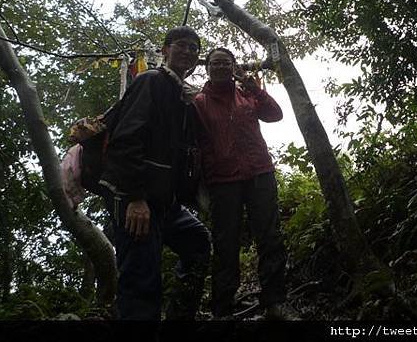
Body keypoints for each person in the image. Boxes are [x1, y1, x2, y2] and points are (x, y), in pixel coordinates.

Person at [99, 26, 211, 320]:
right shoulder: (151, 81)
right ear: (165, 50)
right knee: (141, 282)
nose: (188, 51)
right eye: (181, 45)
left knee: (198, 243)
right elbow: (126, 140)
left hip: (164, 202)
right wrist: (135, 198)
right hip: (135, 199)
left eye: (194, 48)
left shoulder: (182, 95)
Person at [194, 47, 294, 320]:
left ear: (234, 67)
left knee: (270, 237)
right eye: (215, 63)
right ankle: (222, 309)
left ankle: (275, 301)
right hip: (223, 181)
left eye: (226, 63)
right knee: (226, 243)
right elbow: (194, 141)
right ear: (208, 68)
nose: (221, 68)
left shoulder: (247, 94)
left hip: (259, 173)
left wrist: (256, 88)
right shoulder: (199, 102)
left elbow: (276, 114)